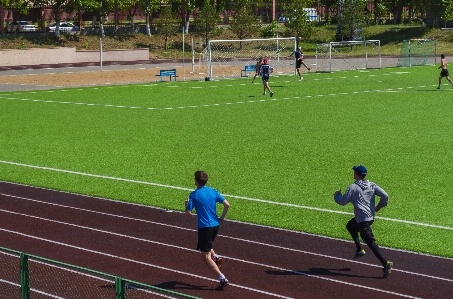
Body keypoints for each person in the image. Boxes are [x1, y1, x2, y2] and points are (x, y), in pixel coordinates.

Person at [333, 165, 393, 278]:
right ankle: (359, 249)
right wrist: (380, 206)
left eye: (354, 172)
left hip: (362, 221)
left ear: (356, 174)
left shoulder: (353, 187)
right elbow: (385, 195)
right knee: (350, 225)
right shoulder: (372, 185)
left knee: (371, 242)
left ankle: (386, 263)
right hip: (369, 218)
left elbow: (343, 201)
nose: (353, 173)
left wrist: (337, 195)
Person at [185, 170, 231, 290]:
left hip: (204, 227)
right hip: (215, 226)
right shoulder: (213, 191)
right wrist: (222, 217)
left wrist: (186, 204)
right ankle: (215, 257)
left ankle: (222, 279)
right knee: (206, 244)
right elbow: (227, 204)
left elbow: (188, 213)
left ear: (196, 181)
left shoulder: (193, 195)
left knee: (205, 257)